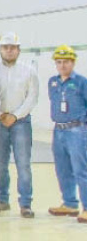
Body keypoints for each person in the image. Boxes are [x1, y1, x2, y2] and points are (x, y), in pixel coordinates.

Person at [0, 32, 39, 218]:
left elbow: (32, 98)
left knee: (23, 164)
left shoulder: (29, 71)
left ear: (18, 50)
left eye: (13, 48)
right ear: (0, 50)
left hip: (21, 123)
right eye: (6, 47)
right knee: (0, 163)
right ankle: (2, 200)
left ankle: (25, 204)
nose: (9, 50)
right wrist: (0, 115)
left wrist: (15, 116)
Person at [46, 45, 87, 224]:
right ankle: (70, 203)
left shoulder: (81, 82)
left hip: (76, 130)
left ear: (73, 62)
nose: (62, 65)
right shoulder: (52, 82)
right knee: (63, 169)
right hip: (58, 130)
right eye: (59, 62)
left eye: (66, 62)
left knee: (81, 170)